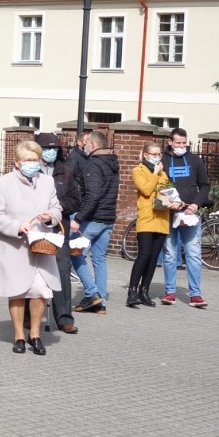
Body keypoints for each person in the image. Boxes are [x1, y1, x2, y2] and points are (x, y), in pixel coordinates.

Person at [0, 140, 62, 355]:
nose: (32, 163)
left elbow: (57, 207)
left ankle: (35, 334)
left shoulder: (47, 182)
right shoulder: (3, 183)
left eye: (35, 159)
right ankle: (19, 334)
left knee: (40, 291)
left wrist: (51, 217)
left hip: (42, 245)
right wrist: (17, 226)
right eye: (27, 160)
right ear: (17, 162)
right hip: (15, 245)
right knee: (17, 291)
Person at [34, 132, 81, 334]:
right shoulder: (31, 170)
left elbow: (75, 199)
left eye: (54, 148)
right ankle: (30, 316)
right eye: (46, 148)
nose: (51, 152)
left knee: (62, 270)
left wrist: (56, 209)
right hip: (35, 227)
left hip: (58, 227)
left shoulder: (65, 171)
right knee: (33, 272)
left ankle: (64, 317)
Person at [70, 131, 119, 314]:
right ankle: (101, 302)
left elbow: (93, 195)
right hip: (108, 219)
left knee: (74, 253)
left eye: (86, 144)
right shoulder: (112, 162)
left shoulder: (93, 164)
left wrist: (78, 218)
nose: (84, 146)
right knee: (99, 258)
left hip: (94, 218)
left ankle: (92, 293)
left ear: (93, 145)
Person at [161, 128, 210, 308]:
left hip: (190, 215)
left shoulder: (195, 160)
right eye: (178, 143)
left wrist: (195, 204)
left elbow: (204, 186)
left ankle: (195, 295)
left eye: (184, 143)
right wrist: (169, 202)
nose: (182, 146)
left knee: (194, 254)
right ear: (170, 142)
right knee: (170, 255)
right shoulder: (164, 160)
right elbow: (158, 187)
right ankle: (170, 292)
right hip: (169, 214)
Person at [128, 141, 179, 308]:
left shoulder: (163, 174)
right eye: (154, 154)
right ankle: (132, 291)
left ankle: (145, 290)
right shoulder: (138, 170)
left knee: (153, 259)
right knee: (144, 255)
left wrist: (171, 202)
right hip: (146, 219)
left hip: (161, 219)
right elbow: (146, 190)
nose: (157, 157)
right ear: (145, 155)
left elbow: (165, 194)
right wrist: (156, 174)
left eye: (159, 155)